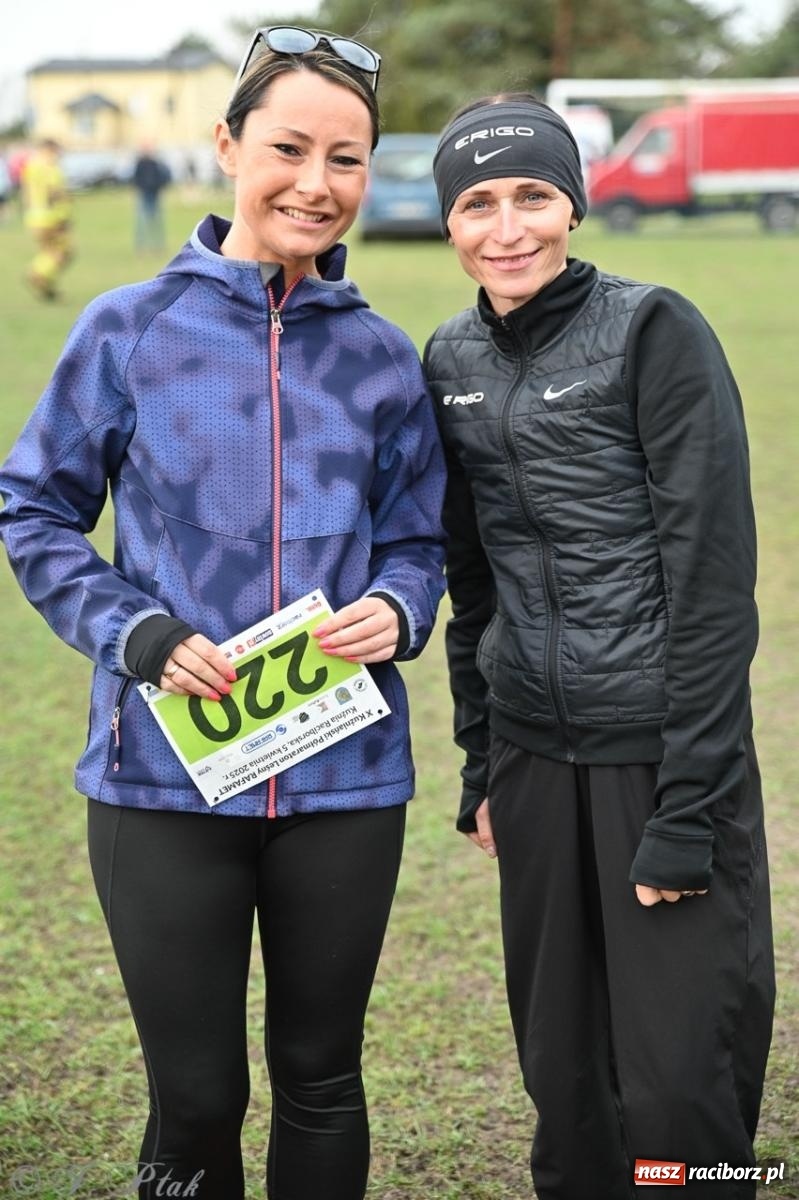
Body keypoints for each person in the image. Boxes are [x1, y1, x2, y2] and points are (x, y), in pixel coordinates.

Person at [0, 27, 446, 1200]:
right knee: (195, 1098)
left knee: (320, 1077)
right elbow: (34, 509)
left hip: (344, 779)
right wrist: (135, 634)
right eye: (289, 147)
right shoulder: (127, 329)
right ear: (226, 147)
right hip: (161, 778)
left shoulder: (385, 361)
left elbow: (417, 540)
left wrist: (400, 609)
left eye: (346, 159)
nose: (316, 182)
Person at [424, 92, 774, 1200]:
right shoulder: (447, 358)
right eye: (477, 203)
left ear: (572, 202)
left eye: (532, 194)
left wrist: (688, 806)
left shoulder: (653, 328)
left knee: (679, 1082)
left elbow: (713, 585)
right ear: (449, 226)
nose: (508, 225)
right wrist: (481, 764)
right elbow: (467, 587)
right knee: (561, 1071)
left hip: (656, 758)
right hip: (531, 762)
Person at [20, 137, 73, 299]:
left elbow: (26, 194)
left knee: (48, 251)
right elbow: (54, 193)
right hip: (51, 217)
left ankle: (47, 287)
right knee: (63, 252)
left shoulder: (30, 167)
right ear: (50, 150)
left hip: (34, 217)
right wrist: (64, 215)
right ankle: (37, 274)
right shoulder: (50, 168)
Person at [131, 142, 171, 252]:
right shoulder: (140, 163)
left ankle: (158, 246)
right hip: (144, 194)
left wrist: (160, 187)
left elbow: (163, 176)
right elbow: (136, 178)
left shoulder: (156, 163)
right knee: (142, 222)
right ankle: (141, 247)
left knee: (157, 222)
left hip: (155, 194)